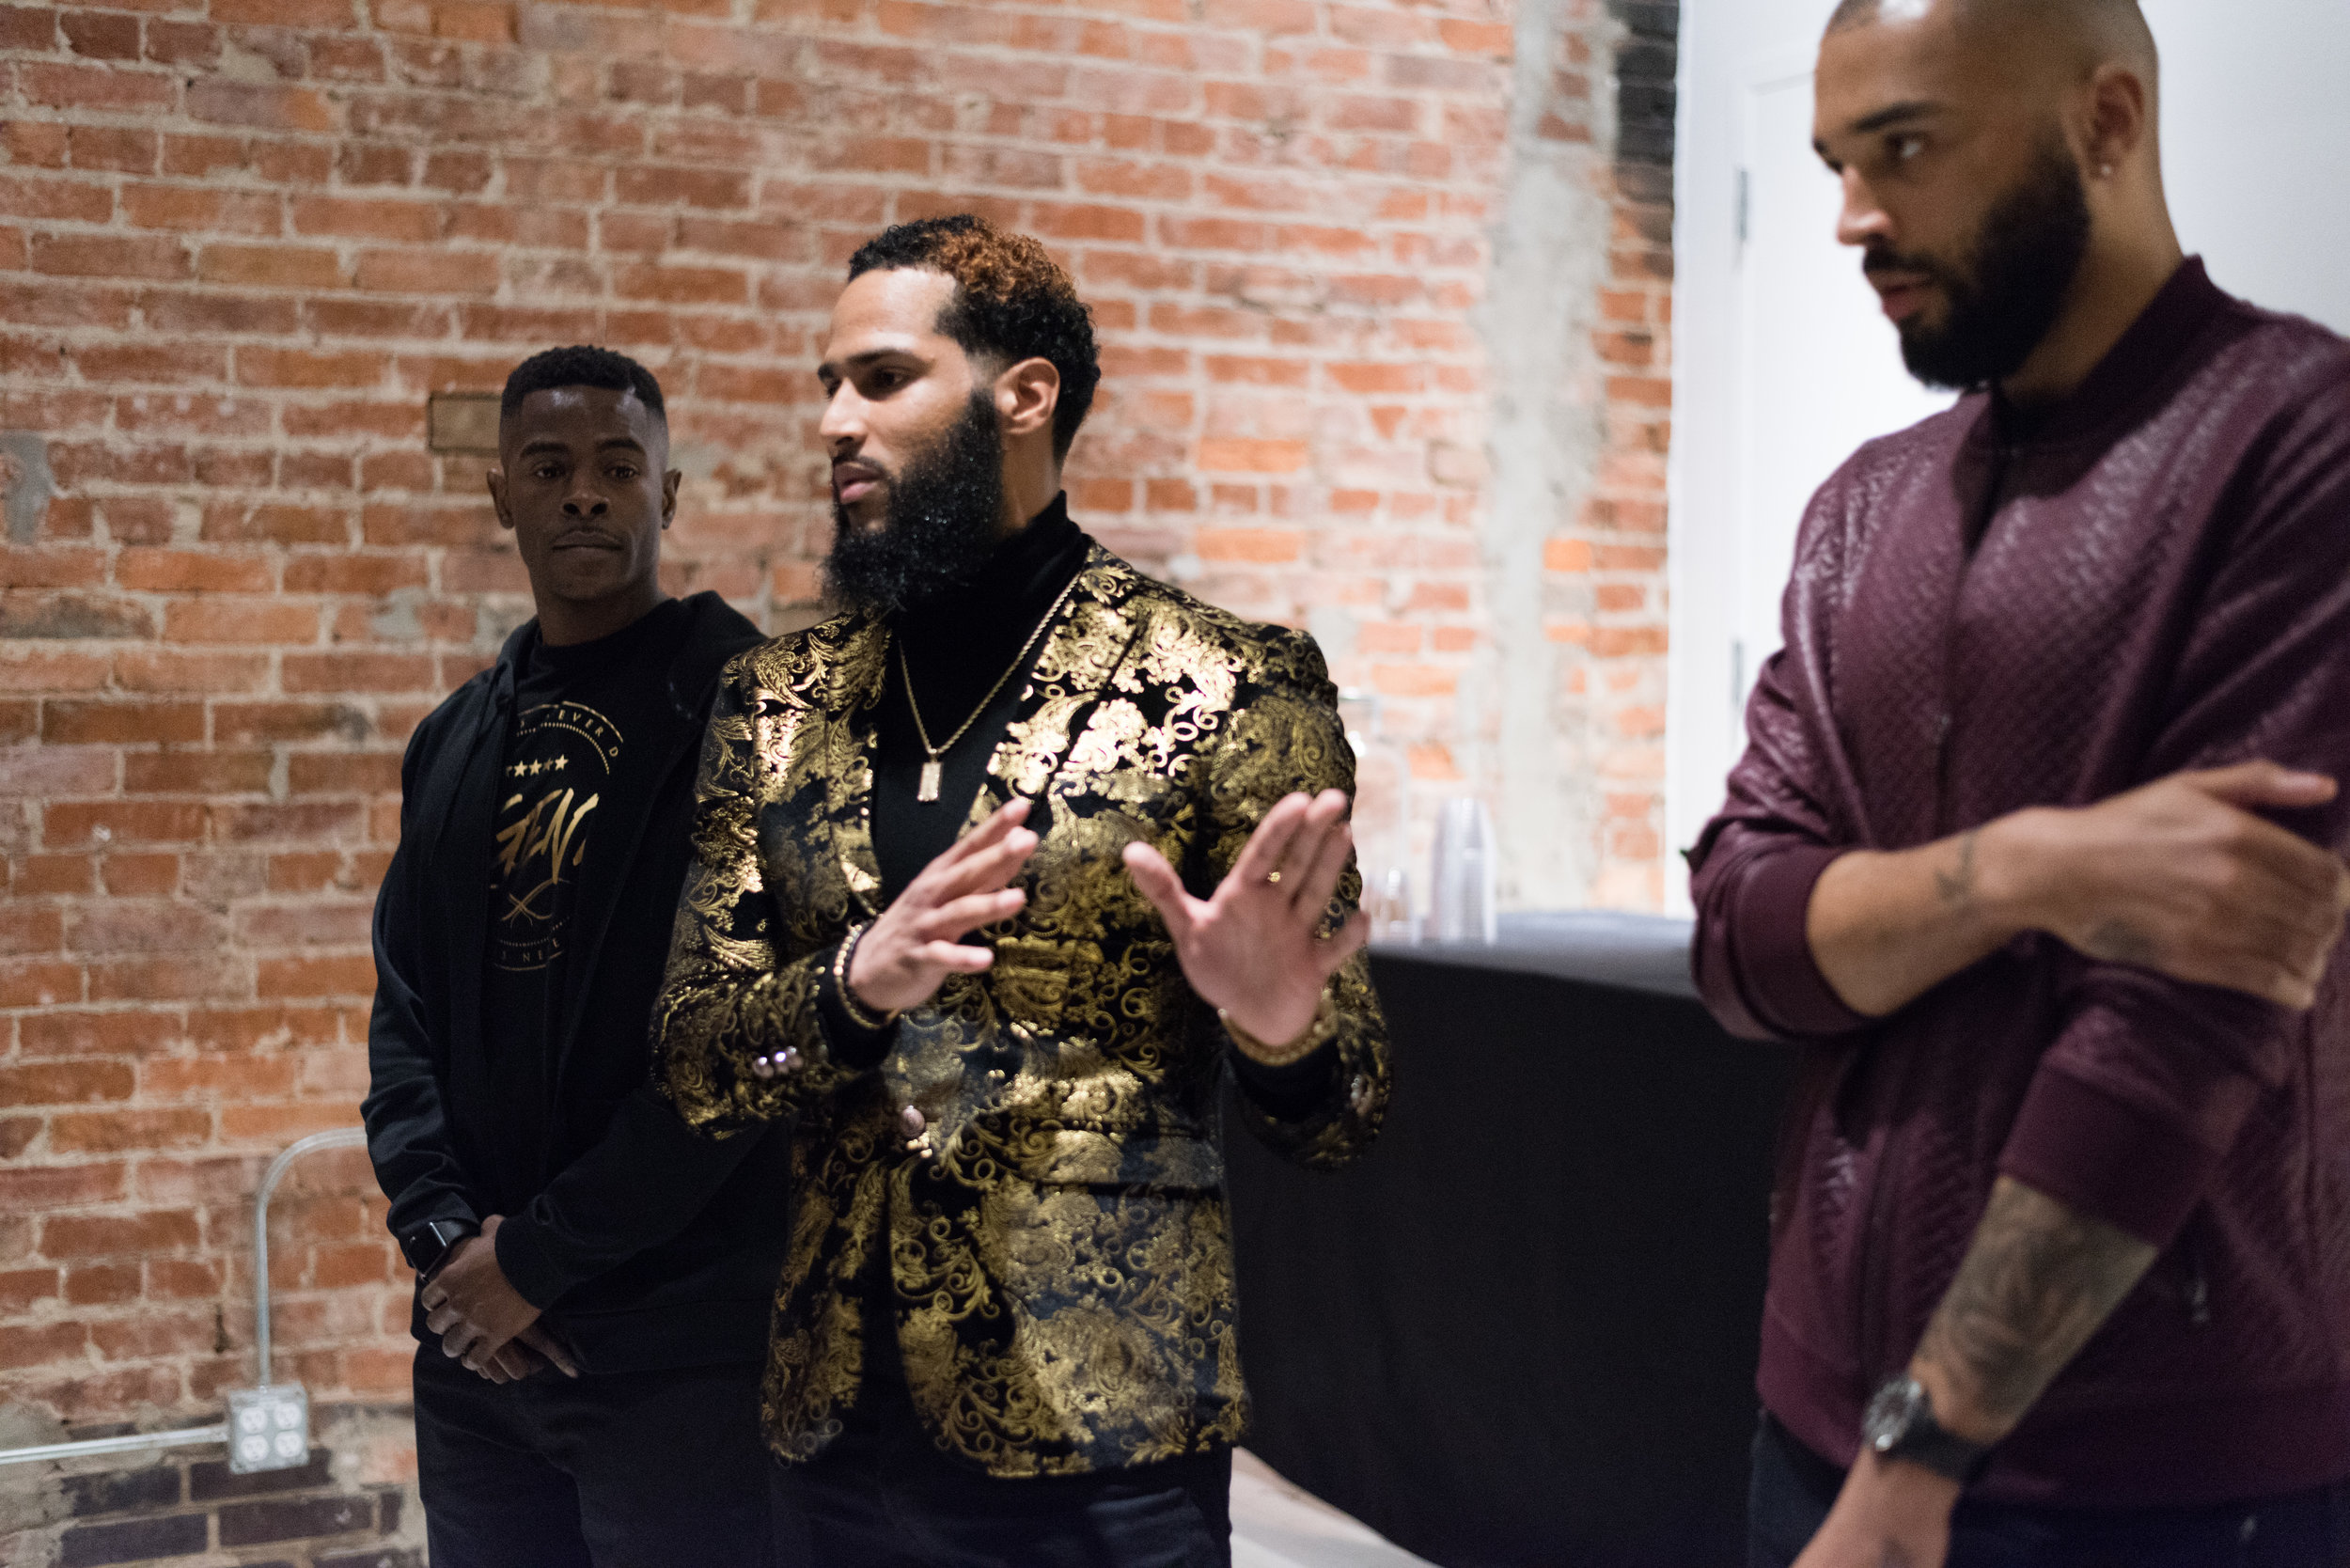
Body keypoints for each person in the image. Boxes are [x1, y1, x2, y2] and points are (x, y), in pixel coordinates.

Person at [1687, 2, 2350, 1564]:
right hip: (1811, 1430)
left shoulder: (2299, 445)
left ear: (2105, 122)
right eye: (1837, 164)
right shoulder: (1860, 513)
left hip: (2159, 1488)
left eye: (1906, 147)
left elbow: (2186, 1016)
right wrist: (2030, 871)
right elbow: (1739, 934)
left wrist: (1915, 1464)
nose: (1854, 218)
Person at [650, 214, 1391, 1568]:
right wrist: (849, 992)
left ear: (1024, 395)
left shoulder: (1227, 683)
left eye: (883, 379)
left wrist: (1277, 1028)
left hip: (1104, 1439)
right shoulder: (775, 702)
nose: (834, 422)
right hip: (832, 1424)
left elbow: (1349, 1112)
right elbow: (695, 1062)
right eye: (829, 385)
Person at [362, 346, 780, 1567]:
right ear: (503, 495)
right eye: (547, 468)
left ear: (669, 492)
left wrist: (538, 1259)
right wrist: (446, 1246)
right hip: (476, 1354)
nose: (583, 493)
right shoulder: (452, 739)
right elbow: (405, 1018)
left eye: (617, 467)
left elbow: (744, 1049)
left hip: (680, 1353)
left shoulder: (752, 711)